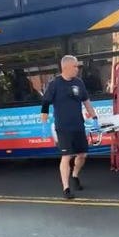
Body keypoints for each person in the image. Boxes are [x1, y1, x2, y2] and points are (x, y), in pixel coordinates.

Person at [41, 55, 99, 199]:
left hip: (78, 125)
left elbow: (86, 101)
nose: (77, 69)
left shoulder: (79, 82)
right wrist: (44, 123)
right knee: (66, 156)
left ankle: (75, 175)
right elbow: (45, 104)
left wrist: (95, 118)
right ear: (66, 67)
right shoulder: (54, 84)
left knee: (83, 155)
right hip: (63, 127)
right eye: (75, 66)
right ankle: (66, 188)